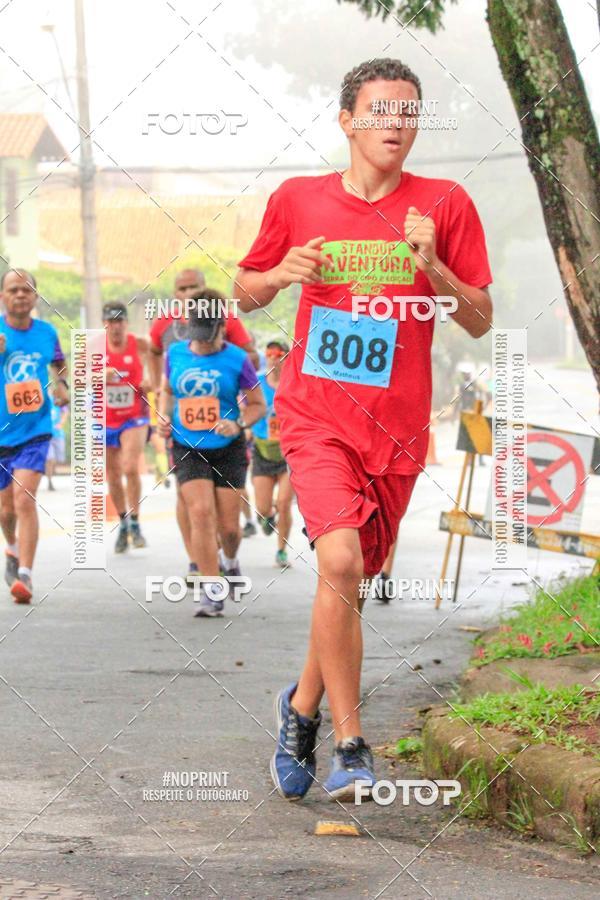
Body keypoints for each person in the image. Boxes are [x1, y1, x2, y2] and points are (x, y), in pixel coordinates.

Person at [235, 58, 492, 801]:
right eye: (380, 113)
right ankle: (350, 745)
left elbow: (479, 320)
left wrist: (433, 266)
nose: (395, 126)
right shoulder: (298, 199)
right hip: (314, 416)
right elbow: (245, 292)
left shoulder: (444, 204)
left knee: (348, 578)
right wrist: (283, 272)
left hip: (398, 428)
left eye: (408, 113)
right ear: (348, 121)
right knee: (340, 562)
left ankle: (300, 708)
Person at [157, 295, 266, 617]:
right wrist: (163, 417)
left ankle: (230, 562)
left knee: (230, 530)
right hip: (186, 446)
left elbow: (258, 404)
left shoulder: (237, 359)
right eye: (196, 335)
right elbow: (167, 390)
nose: (201, 344)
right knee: (201, 514)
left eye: (208, 335)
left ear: (221, 328)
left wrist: (239, 423)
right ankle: (211, 588)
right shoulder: (174, 354)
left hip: (227, 448)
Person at [0, 269, 68, 602]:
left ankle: (25, 575)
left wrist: (62, 387)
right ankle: (11, 548)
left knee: (24, 498)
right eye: (13, 290)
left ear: (35, 297)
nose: (20, 295)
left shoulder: (47, 332)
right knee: (5, 510)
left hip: (36, 430)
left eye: (27, 290)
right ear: (3, 297)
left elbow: (59, 366)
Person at [103, 302, 150, 553]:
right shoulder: (95, 348)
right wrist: (99, 375)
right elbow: (79, 378)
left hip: (135, 415)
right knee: (113, 473)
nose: (116, 326)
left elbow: (157, 356)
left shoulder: (138, 343)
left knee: (130, 467)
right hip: (106, 418)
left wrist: (152, 379)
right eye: (112, 322)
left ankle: (135, 521)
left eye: (121, 321)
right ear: (105, 324)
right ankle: (123, 522)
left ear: (126, 324)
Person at [250, 340, 295, 568]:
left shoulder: (296, 384)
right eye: (269, 353)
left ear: (287, 357)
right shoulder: (257, 382)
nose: (273, 357)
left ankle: (281, 551)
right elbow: (245, 406)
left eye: (278, 353)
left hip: (289, 452)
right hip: (263, 449)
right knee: (262, 507)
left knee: (285, 503)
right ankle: (267, 516)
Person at [45, 398, 68, 490]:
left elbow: (65, 411)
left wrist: (61, 422)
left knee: (58, 459)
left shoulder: (57, 399)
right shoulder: (43, 400)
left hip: (58, 434)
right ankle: (49, 481)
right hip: (47, 435)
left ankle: (49, 470)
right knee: (50, 458)